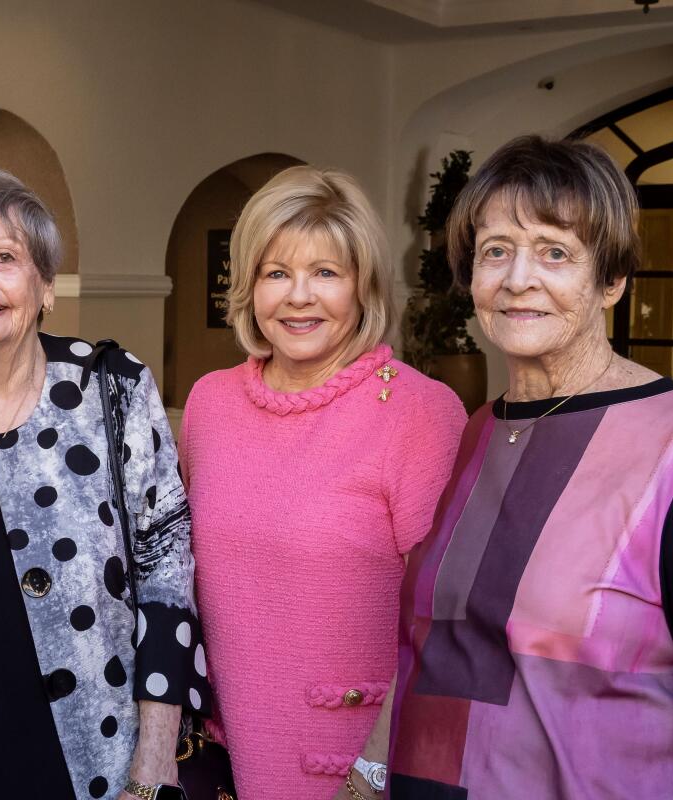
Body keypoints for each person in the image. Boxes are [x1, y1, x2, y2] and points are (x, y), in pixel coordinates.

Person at [387, 135, 673, 798]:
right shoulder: (476, 434)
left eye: (554, 252)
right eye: (496, 252)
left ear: (612, 281)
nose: (519, 278)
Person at [0, 168, 211, 800]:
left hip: (88, 759)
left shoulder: (109, 387)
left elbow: (168, 569)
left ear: (45, 285)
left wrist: (157, 753)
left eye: (5, 258)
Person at [177, 165, 466, 800]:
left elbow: (443, 623)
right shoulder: (209, 405)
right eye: (276, 273)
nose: (298, 296)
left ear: (363, 287)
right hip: (217, 760)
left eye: (326, 273)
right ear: (250, 287)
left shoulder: (421, 413)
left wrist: (372, 773)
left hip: (351, 769)